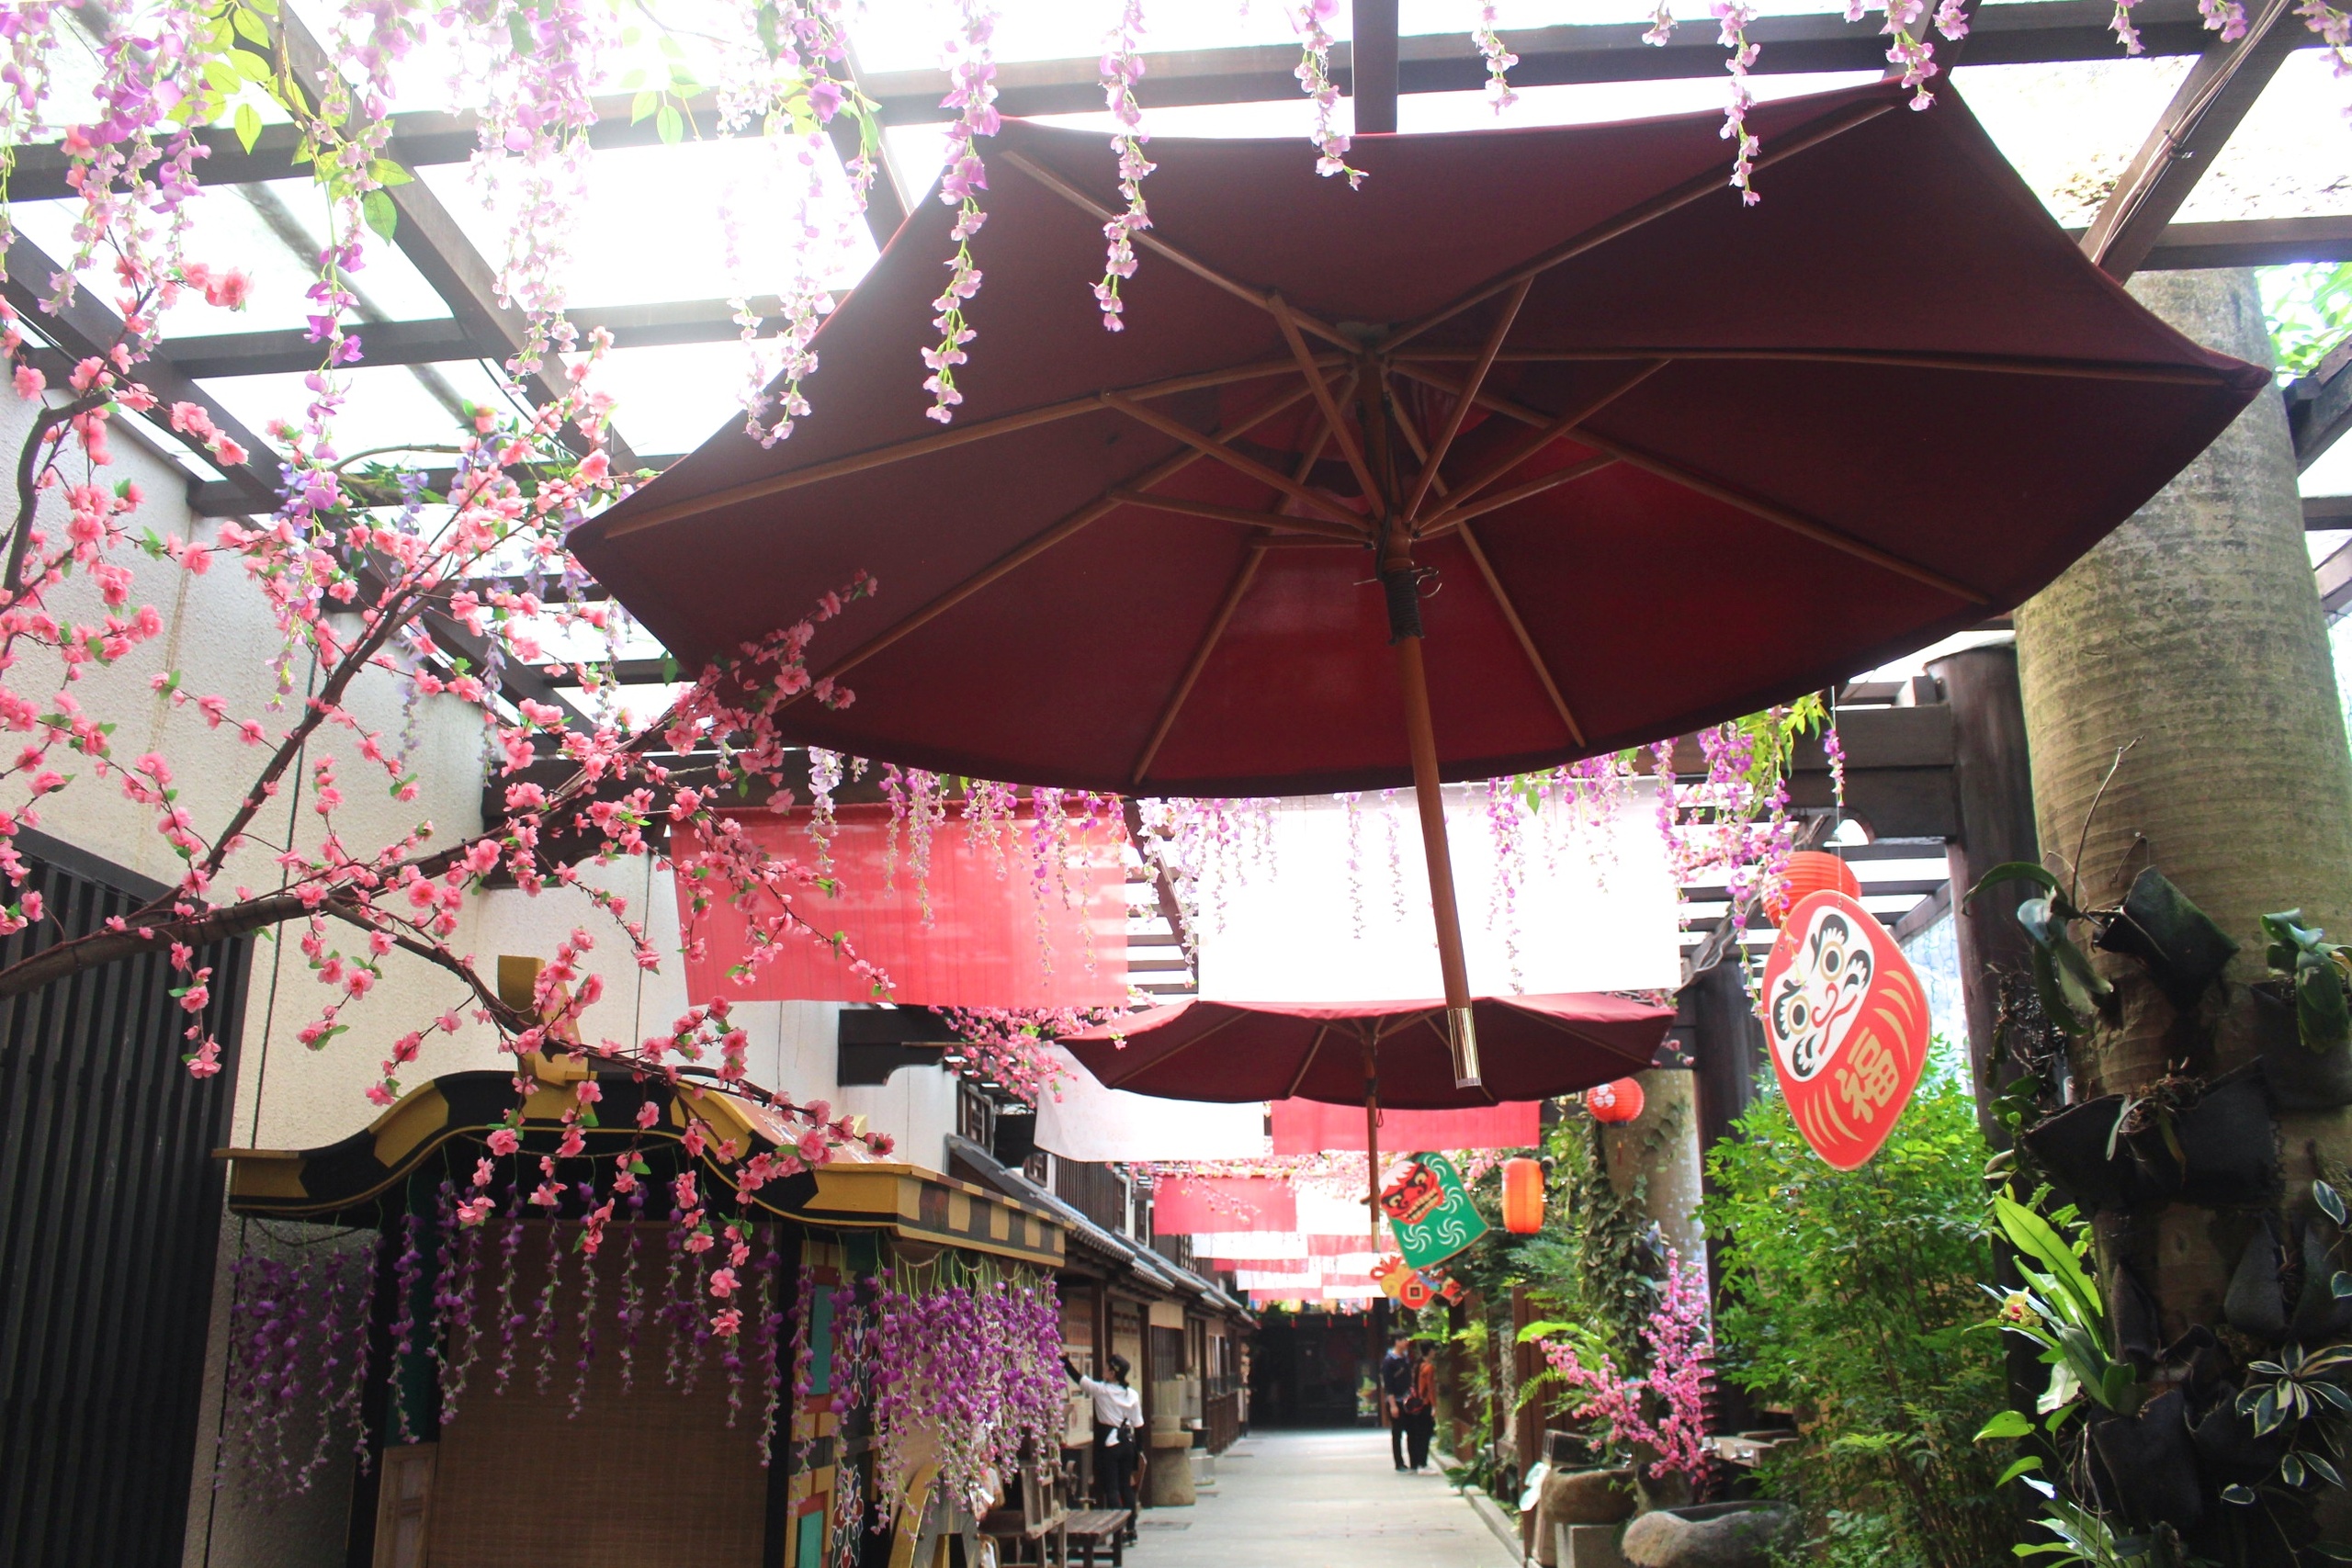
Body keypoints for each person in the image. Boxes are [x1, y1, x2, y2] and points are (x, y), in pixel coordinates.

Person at [1065, 1352, 1143, 1540]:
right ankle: (1131, 1529)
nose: (1104, 1370)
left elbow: (1079, 1379)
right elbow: (1139, 1425)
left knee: (1113, 1489)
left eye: (1107, 1368)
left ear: (1113, 1373)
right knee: (1126, 1487)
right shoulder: (1131, 1394)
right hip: (1128, 1443)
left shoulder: (1102, 1390)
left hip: (1111, 1444)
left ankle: (1118, 1530)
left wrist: (1064, 1361)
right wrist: (1138, 1452)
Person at [1379, 1334, 1414, 1471]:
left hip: (1408, 1399)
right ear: (1397, 1342)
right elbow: (1388, 1385)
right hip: (1396, 1400)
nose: (1407, 1342)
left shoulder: (1405, 1358)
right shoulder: (1389, 1361)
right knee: (1397, 1432)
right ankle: (1399, 1462)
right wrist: (1393, 1405)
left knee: (1412, 1430)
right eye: (1404, 1339)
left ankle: (1414, 1461)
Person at [1402, 1343, 1438, 1472]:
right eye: (1434, 1349)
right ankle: (1423, 1463)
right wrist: (1434, 1406)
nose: (1435, 1352)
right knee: (1426, 1435)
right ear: (1429, 1351)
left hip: (1415, 1405)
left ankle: (1416, 1463)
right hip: (1425, 1404)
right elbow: (1431, 1389)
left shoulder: (1416, 1366)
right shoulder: (1429, 1368)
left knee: (1417, 1434)